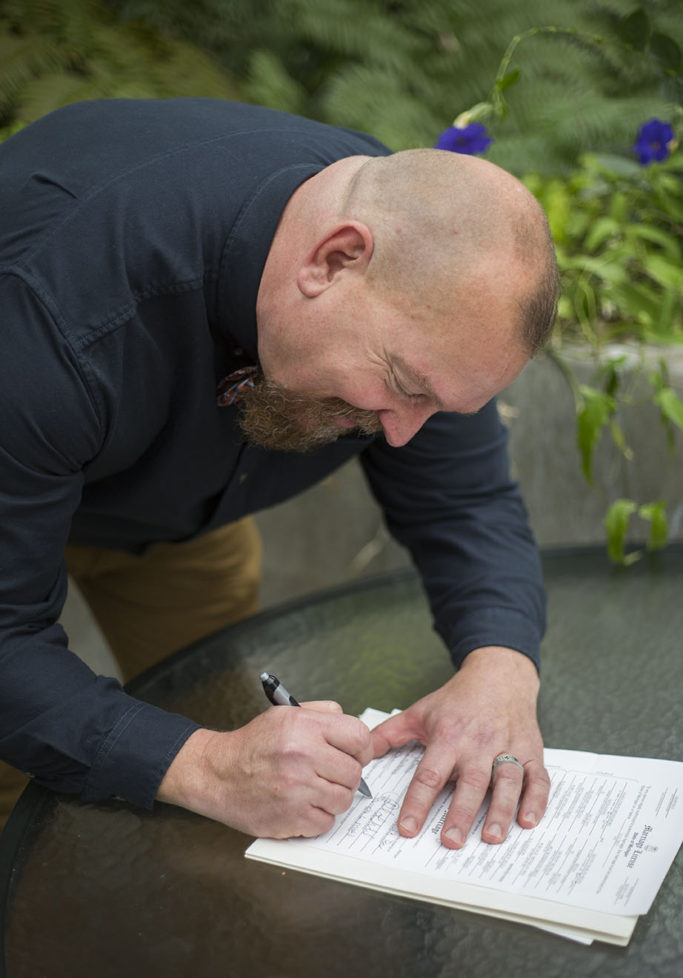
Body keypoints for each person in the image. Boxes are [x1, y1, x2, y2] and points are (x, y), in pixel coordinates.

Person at [0, 97, 559, 849]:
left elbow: (464, 500)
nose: (401, 436)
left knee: (234, 807)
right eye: (403, 384)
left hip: (179, 526)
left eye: (439, 405)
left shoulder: (423, 287)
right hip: (24, 465)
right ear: (330, 261)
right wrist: (202, 765)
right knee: (27, 810)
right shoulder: (52, 310)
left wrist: (501, 665)